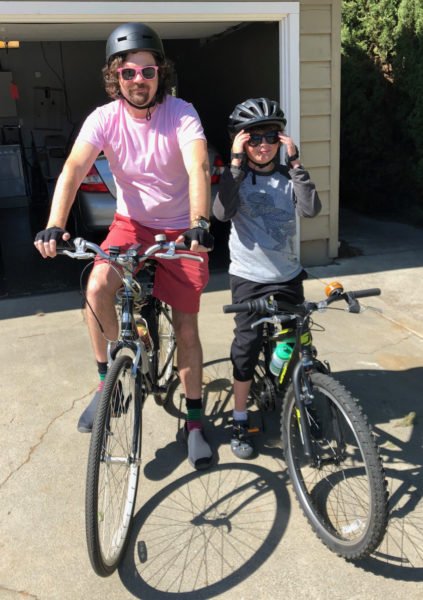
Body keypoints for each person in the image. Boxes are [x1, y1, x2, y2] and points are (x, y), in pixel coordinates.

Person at [34, 23, 214, 470]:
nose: (139, 80)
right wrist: (55, 225)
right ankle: (107, 384)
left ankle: (194, 423)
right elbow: (75, 168)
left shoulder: (182, 112)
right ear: (116, 76)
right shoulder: (103, 118)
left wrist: (198, 223)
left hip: (178, 228)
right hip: (130, 224)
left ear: (160, 73)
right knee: (96, 288)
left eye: (147, 71)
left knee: (187, 327)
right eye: (128, 72)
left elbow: (198, 167)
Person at [213, 97, 321, 459]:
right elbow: (221, 212)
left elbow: (310, 209)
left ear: (282, 139)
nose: (262, 146)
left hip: (287, 275)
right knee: (246, 349)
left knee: (296, 342)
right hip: (249, 278)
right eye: (253, 138)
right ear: (241, 142)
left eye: (271, 137)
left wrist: (297, 165)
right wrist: (235, 164)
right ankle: (241, 417)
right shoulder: (237, 177)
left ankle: (303, 399)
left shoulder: (288, 175)